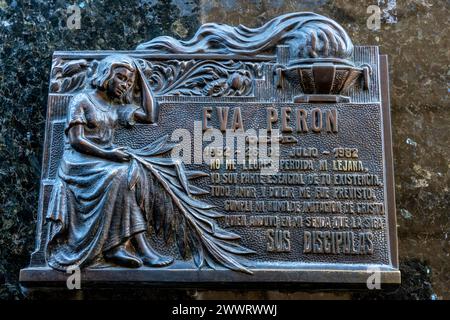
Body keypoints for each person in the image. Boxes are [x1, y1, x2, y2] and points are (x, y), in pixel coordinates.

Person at [46, 54, 173, 270]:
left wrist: (141, 76)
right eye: (121, 78)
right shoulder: (81, 100)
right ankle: (132, 248)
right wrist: (110, 155)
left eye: (129, 82)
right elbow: (76, 140)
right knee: (119, 174)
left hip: (103, 163)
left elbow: (150, 115)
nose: (125, 85)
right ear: (106, 75)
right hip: (78, 163)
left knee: (128, 173)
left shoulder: (115, 107)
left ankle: (122, 246)